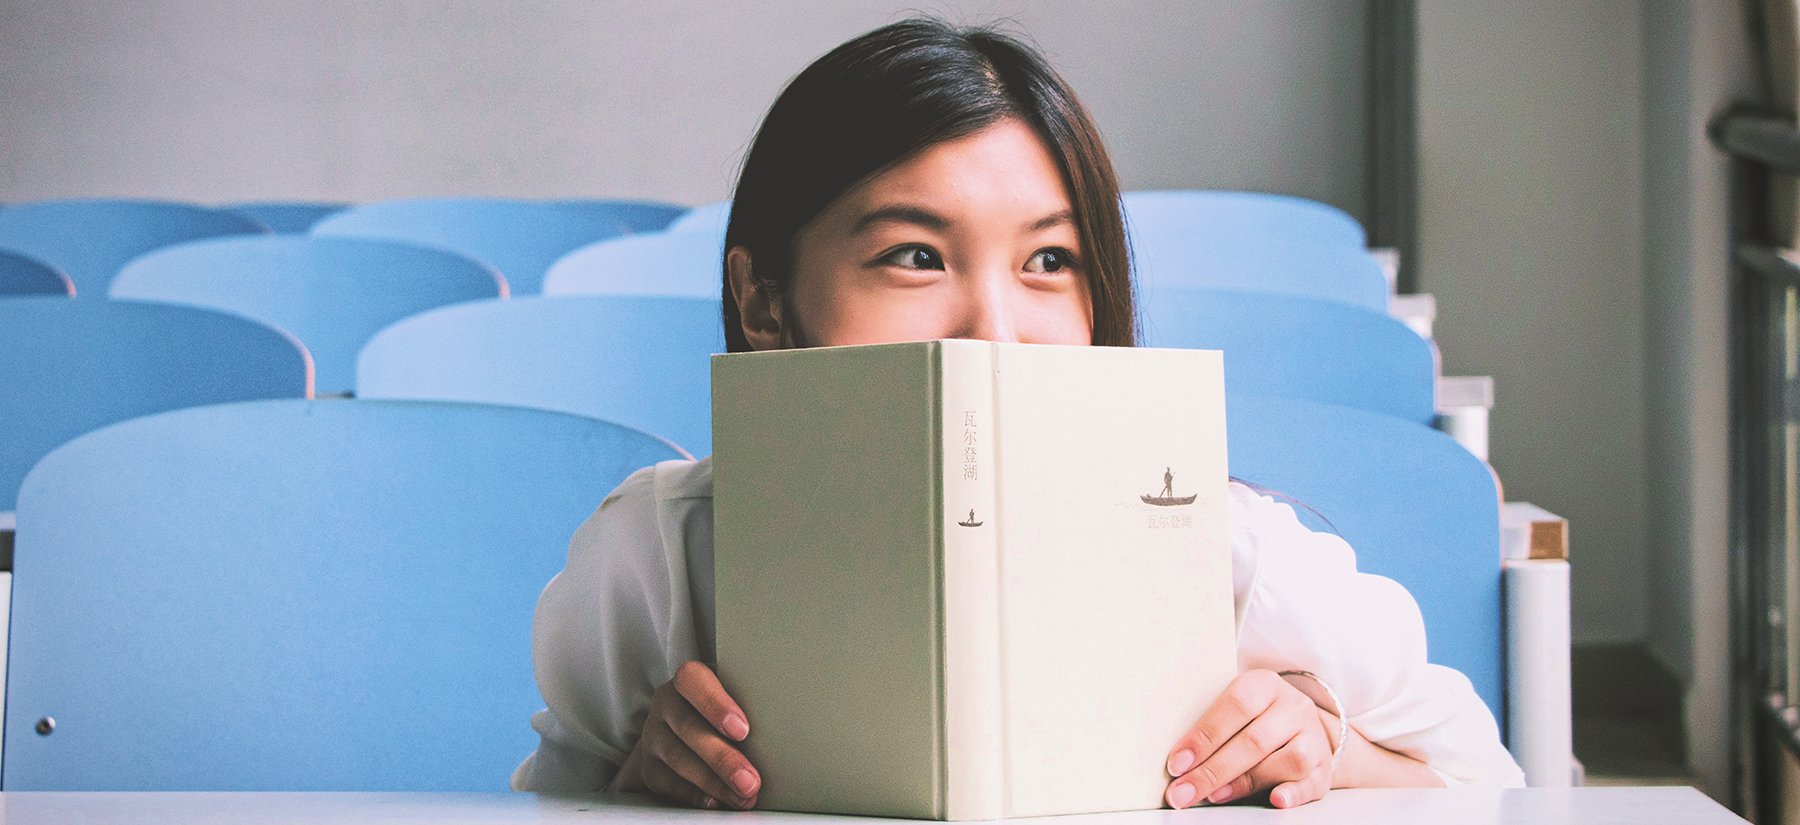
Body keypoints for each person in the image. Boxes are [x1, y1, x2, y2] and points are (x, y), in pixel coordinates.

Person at [513, 18, 1525, 810]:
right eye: (914, 255)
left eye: (1050, 261)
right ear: (765, 301)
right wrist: (635, 785)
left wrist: (1329, 752)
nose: (995, 328)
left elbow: (1491, 783)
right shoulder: (658, 557)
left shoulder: (1227, 556)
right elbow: (551, 797)